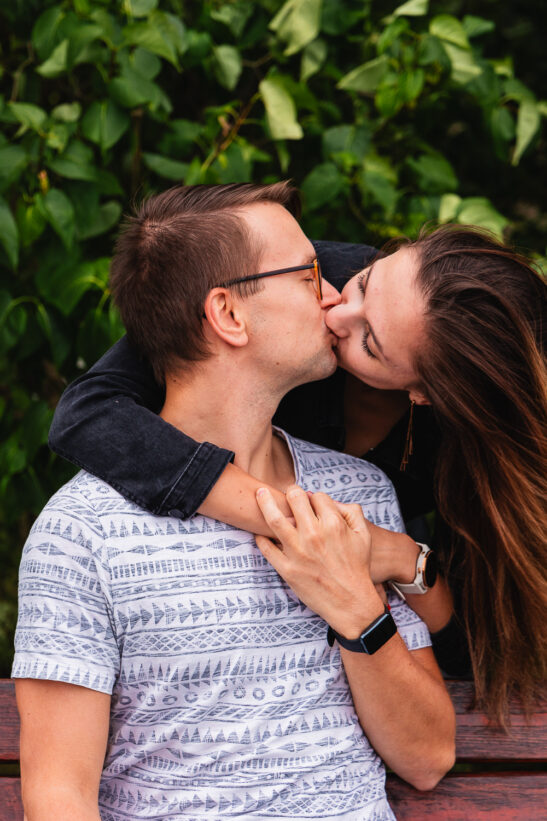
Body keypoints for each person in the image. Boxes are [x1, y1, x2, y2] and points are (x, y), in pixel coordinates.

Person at [13, 183, 456, 821]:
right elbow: (59, 797)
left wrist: (356, 608)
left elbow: (428, 757)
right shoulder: (81, 533)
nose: (333, 295)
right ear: (228, 314)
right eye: (308, 275)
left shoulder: (359, 493)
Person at [48, 185, 547, 727]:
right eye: (364, 281)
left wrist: (405, 560)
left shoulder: (464, 451)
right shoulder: (308, 282)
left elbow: (473, 653)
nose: (335, 311)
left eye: (371, 342)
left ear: (425, 393)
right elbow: (88, 413)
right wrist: (302, 521)